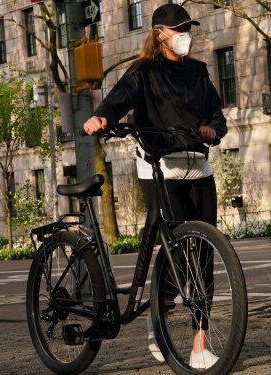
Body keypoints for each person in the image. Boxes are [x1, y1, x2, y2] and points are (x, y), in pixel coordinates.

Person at [83, 3, 227, 369]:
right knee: (178, 252)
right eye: (178, 30)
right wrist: (100, 118)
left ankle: (199, 346)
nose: (185, 36)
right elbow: (118, 101)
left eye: (187, 28)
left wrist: (213, 128)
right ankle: (157, 316)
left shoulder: (199, 72)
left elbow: (217, 114)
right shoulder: (144, 72)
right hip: (159, 167)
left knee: (204, 256)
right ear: (159, 34)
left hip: (198, 168)